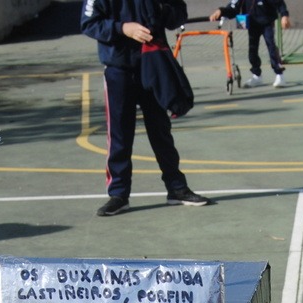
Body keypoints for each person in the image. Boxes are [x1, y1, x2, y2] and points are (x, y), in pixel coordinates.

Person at [80, 0, 211, 217]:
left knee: (161, 130)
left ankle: (176, 188)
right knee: (119, 134)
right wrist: (123, 28)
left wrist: (161, 10)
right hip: (118, 67)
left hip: (153, 62)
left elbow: (178, 13)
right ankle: (118, 194)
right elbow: (89, 23)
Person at [210, 0, 291, 88]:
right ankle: (257, 76)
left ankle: (279, 75)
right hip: (252, 23)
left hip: (267, 22)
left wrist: (284, 16)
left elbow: (279, 3)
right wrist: (221, 11)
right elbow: (233, 8)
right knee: (252, 51)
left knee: (271, 47)